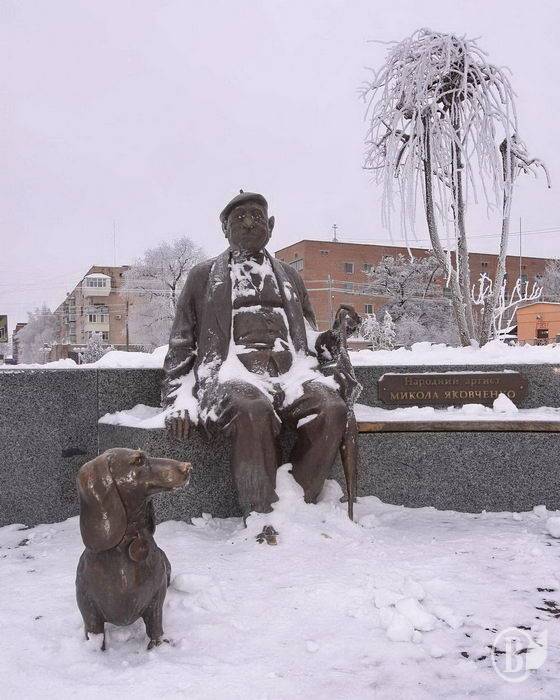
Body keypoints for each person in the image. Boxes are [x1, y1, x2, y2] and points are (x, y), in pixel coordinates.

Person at [163, 191, 359, 534]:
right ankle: (263, 517)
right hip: (233, 374)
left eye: (256, 216)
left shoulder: (290, 276)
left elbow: (307, 335)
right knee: (251, 409)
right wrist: (177, 399)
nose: (249, 223)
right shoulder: (202, 277)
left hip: (293, 372)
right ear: (224, 229)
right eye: (239, 218)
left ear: (271, 225)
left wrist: (334, 335)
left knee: (332, 408)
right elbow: (181, 343)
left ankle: (298, 505)